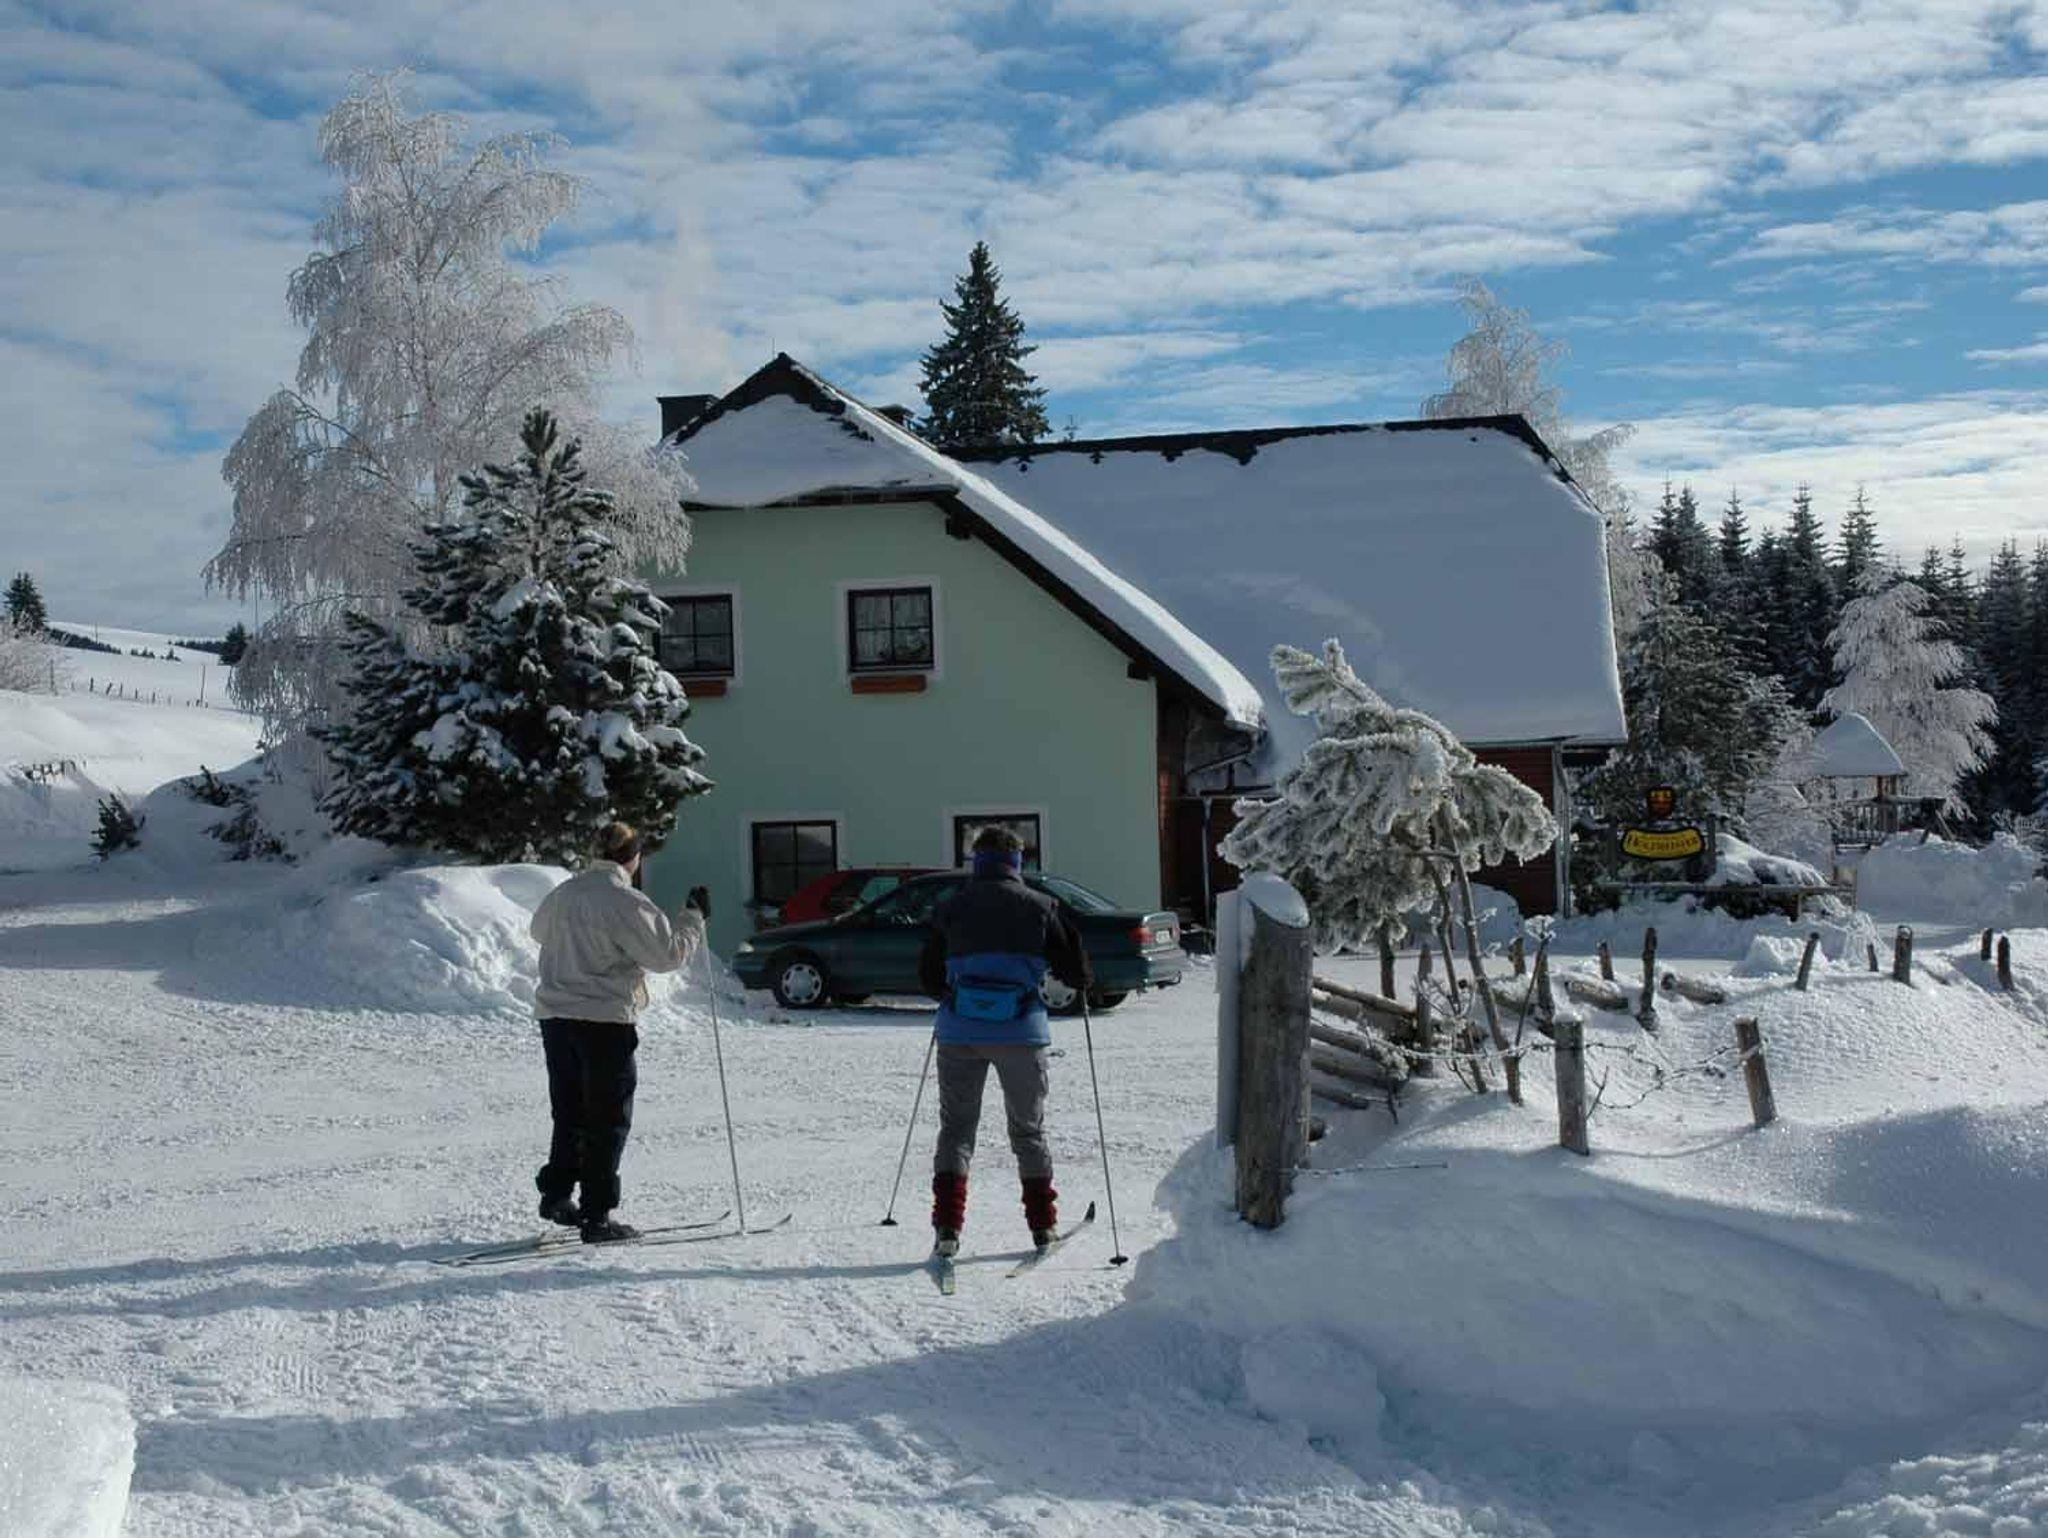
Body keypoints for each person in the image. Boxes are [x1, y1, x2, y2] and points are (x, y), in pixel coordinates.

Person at [529, 821, 709, 1243]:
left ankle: (557, 1195)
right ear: (633, 857)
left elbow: (536, 931)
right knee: (608, 1117)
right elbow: (667, 955)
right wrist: (693, 918)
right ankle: (597, 1215)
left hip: (555, 1017)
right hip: (604, 1020)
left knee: (570, 1110)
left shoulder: (564, 893)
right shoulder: (626, 900)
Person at [918, 825, 1092, 1255]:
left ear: (976, 860)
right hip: (1021, 1033)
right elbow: (1076, 974)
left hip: (959, 1033)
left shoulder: (951, 906)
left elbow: (928, 976)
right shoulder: (1042, 906)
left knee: (956, 1130)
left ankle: (947, 1229)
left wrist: (955, 992)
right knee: (1028, 1131)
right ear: (1017, 861)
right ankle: (1043, 1227)